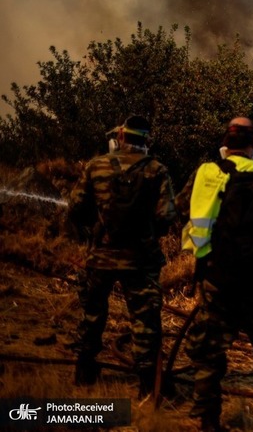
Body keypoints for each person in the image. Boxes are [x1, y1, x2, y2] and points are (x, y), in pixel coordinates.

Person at [176, 117, 253, 432]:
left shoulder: (206, 173)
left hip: (218, 281)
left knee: (209, 353)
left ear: (225, 142)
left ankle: (208, 421)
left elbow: (179, 208)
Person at [67, 115, 177, 397]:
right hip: (140, 260)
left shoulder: (97, 165)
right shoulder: (156, 170)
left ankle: (83, 370)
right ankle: (147, 386)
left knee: (92, 314)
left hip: (100, 257)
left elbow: (76, 207)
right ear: (147, 141)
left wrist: (96, 227)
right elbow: (166, 217)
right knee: (145, 322)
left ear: (121, 137)